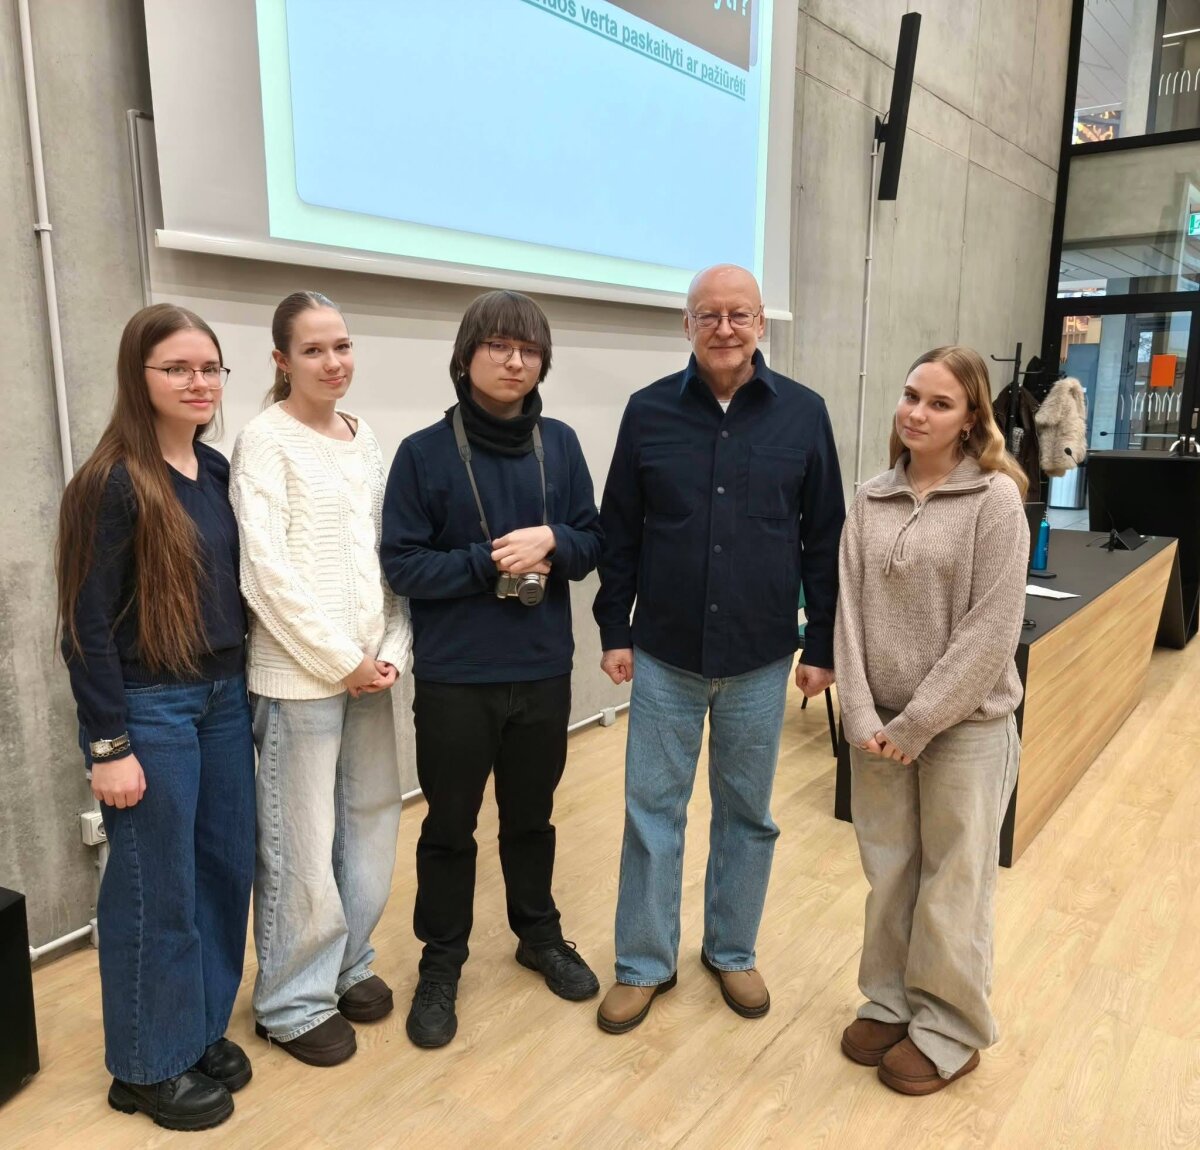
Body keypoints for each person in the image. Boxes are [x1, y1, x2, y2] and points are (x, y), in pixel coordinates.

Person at [593, 264, 845, 1033]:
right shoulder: (647, 412)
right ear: (688, 325)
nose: (725, 328)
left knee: (747, 813)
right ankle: (644, 963)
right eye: (709, 315)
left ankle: (732, 951)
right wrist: (614, 629)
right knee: (651, 813)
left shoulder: (804, 414)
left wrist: (823, 643)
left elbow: (824, 538)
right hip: (664, 651)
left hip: (761, 656)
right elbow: (618, 530)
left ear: (762, 324)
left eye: (740, 314)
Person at [381, 289, 603, 1049]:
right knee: (449, 826)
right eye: (499, 347)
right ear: (465, 356)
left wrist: (553, 541)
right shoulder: (423, 452)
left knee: (532, 818)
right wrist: (489, 561)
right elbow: (403, 565)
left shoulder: (561, 444)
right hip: (456, 678)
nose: (515, 362)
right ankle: (441, 961)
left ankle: (538, 935)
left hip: (541, 670)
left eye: (529, 350)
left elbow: (591, 541)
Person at [56, 304, 254, 1131]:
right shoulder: (110, 482)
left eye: (210, 367)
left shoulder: (213, 472)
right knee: (155, 890)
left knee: (223, 872)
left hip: (222, 698)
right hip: (150, 708)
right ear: (138, 377)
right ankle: (145, 1067)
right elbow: (84, 626)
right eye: (178, 368)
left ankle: (194, 1030)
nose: (199, 382)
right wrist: (109, 746)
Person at [835, 345, 1028, 1095]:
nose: (917, 413)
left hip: (964, 727)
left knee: (954, 879)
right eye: (912, 395)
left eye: (940, 403)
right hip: (876, 726)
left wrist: (917, 723)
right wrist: (859, 711)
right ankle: (890, 1002)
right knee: (889, 871)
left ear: (971, 418)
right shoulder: (870, 498)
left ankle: (949, 1027)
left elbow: (991, 631)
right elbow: (847, 612)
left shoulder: (995, 501)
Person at [229, 291, 411, 1068]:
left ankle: (346, 963)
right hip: (299, 679)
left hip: (371, 672)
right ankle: (290, 999)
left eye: (342, 345)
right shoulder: (264, 440)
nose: (333, 362)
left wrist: (392, 648)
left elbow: (389, 556)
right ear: (281, 361)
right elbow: (263, 574)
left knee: (369, 825)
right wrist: (342, 660)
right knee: (300, 841)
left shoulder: (366, 439)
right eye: (313, 350)